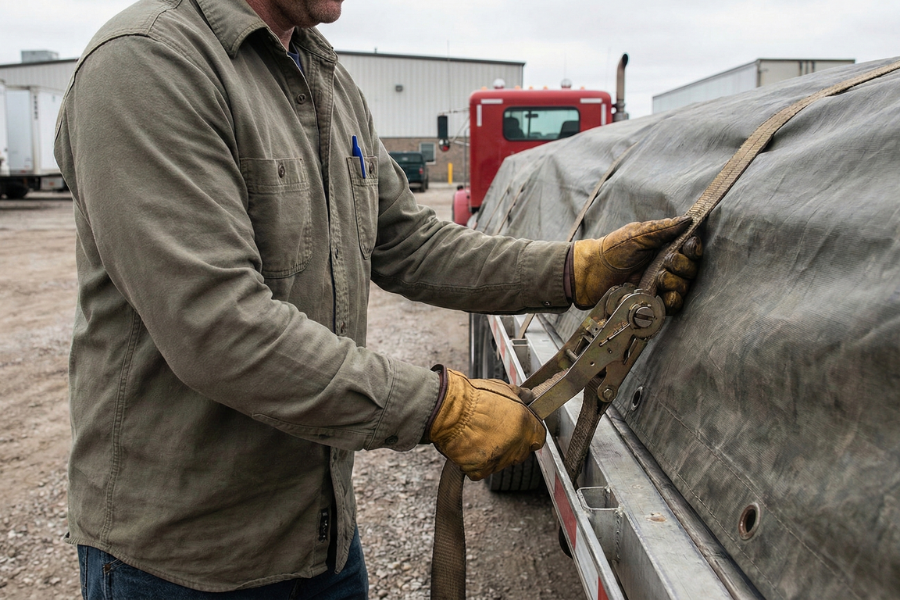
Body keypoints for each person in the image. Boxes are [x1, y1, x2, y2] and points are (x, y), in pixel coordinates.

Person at [54, 0, 701, 597]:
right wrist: (440, 407)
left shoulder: (322, 77)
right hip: (183, 566)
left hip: (321, 539)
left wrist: (575, 270)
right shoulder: (147, 67)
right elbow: (217, 329)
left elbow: (407, 241)